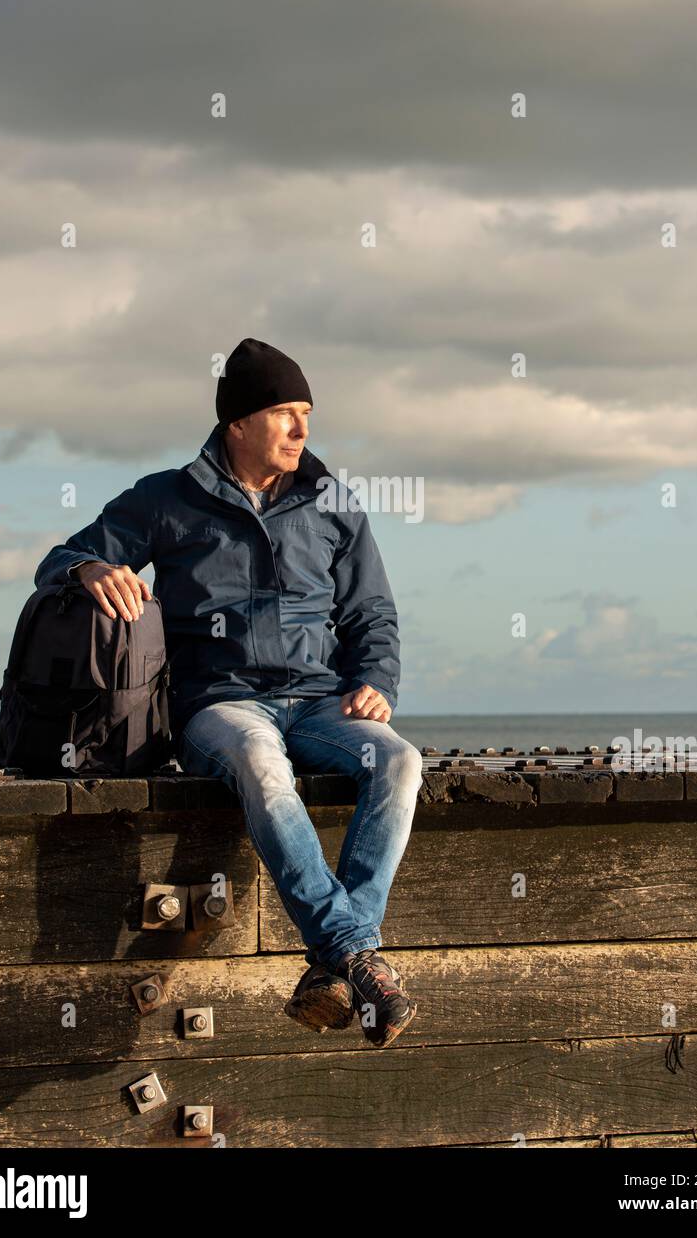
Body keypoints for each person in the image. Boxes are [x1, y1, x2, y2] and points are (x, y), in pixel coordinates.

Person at [34, 338, 424, 1047]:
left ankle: (338, 962)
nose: (302, 430)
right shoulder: (164, 498)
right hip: (218, 703)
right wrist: (89, 568)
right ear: (237, 424)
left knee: (399, 762)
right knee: (259, 760)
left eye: (306, 412)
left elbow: (372, 612)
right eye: (285, 413)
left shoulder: (332, 501)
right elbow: (59, 558)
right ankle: (354, 954)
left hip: (318, 699)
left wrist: (375, 680)